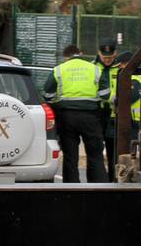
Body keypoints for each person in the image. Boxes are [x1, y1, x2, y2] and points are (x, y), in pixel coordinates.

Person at [44, 45, 109, 183]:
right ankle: (98, 187)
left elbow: (48, 95)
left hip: (67, 117)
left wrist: (60, 101)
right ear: (80, 53)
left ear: (65, 57)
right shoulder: (95, 69)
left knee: (70, 156)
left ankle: (71, 188)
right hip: (90, 117)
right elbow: (105, 95)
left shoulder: (59, 70)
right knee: (95, 155)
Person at [94, 42, 119, 180]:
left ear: (115, 54)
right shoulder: (92, 67)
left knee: (113, 150)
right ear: (99, 54)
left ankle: (112, 179)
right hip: (98, 113)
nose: (107, 60)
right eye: (104, 57)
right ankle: (99, 180)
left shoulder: (121, 67)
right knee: (96, 150)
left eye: (110, 57)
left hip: (115, 114)